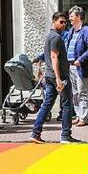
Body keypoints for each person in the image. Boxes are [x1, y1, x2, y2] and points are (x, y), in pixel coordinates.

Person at [30, 12, 80, 144]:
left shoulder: (51, 36)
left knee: (47, 104)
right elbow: (53, 57)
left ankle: (36, 132)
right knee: (67, 105)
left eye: (65, 22)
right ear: (54, 21)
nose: (64, 25)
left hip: (50, 76)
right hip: (59, 77)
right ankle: (65, 135)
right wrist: (58, 78)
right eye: (61, 22)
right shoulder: (56, 38)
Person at [65, 5, 88, 127]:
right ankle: (78, 115)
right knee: (75, 93)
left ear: (79, 17)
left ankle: (83, 117)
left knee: (82, 93)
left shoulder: (87, 31)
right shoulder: (71, 31)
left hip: (80, 66)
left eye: (71, 16)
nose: (69, 19)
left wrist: (80, 60)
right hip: (71, 66)